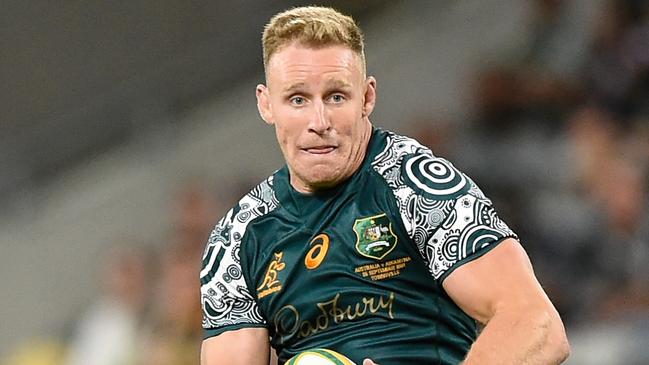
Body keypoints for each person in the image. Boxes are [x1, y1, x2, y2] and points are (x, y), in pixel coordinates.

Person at [199, 6, 570, 365]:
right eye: (298, 99)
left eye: (336, 97)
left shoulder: (417, 186)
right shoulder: (238, 237)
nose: (319, 121)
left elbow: (537, 325)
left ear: (367, 97)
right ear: (266, 105)